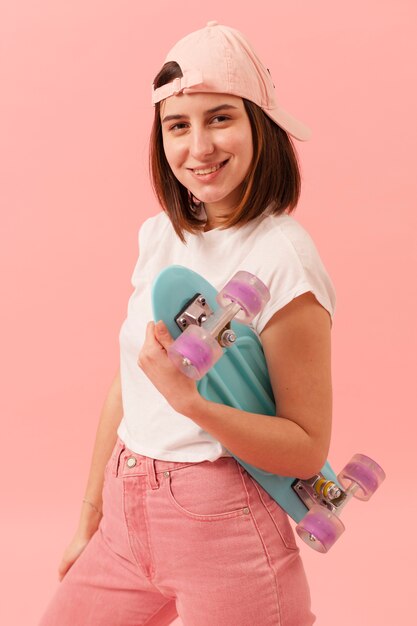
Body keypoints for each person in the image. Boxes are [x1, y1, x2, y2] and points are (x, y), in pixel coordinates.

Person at [39, 21, 335, 626]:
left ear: (261, 124)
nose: (198, 147)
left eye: (221, 117)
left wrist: (191, 402)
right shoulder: (159, 236)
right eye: (178, 125)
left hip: (222, 521)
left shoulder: (285, 257)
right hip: (126, 510)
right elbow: (128, 382)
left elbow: (307, 449)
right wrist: (90, 519)